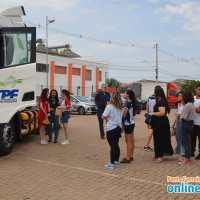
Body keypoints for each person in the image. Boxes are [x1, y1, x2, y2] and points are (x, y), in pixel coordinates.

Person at [150, 86, 174, 163]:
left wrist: (153, 113)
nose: (154, 93)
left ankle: (160, 156)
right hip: (158, 123)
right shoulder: (161, 100)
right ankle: (158, 154)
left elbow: (162, 113)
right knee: (157, 138)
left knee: (160, 139)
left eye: (155, 91)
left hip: (161, 123)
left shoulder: (161, 102)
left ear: (157, 93)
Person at [102, 92, 124, 169]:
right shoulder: (121, 107)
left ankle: (111, 164)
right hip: (118, 127)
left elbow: (103, 116)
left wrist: (106, 107)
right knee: (116, 145)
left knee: (113, 146)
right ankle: (116, 161)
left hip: (111, 128)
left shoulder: (110, 107)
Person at [120, 89, 137, 164]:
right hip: (132, 122)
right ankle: (131, 156)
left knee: (128, 141)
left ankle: (128, 158)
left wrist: (120, 118)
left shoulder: (127, 103)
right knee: (132, 140)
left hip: (128, 124)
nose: (124, 94)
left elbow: (124, 114)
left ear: (128, 95)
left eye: (125, 93)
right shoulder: (133, 102)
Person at [179, 91, 195, 165]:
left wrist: (180, 117)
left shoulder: (187, 105)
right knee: (187, 141)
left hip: (186, 123)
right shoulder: (191, 104)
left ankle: (187, 159)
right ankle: (186, 156)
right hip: (190, 123)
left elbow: (183, 117)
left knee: (186, 142)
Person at [191, 84, 200, 159]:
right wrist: (195, 108)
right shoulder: (193, 98)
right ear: (195, 89)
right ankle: (191, 152)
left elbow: (199, 110)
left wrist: (192, 108)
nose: (199, 91)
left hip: (199, 123)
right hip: (192, 122)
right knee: (192, 138)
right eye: (199, 89)